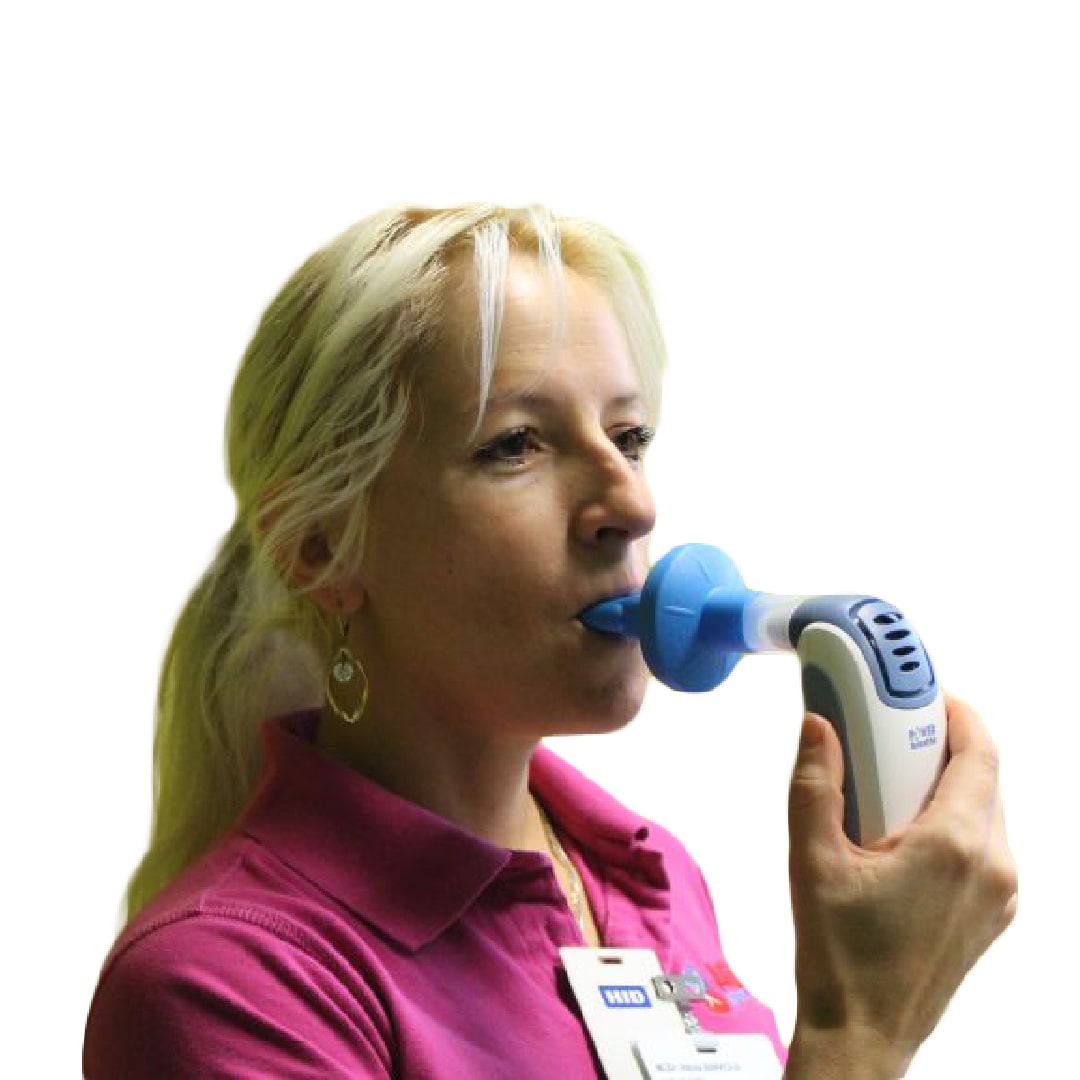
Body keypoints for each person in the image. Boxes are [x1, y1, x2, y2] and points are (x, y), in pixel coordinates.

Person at [82, 204, 1017, 1078]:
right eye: (517, 444)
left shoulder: (653, 877)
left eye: (630, 435)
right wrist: (860, 1031)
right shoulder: (227, 986)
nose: (631, 503)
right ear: (324, 548)